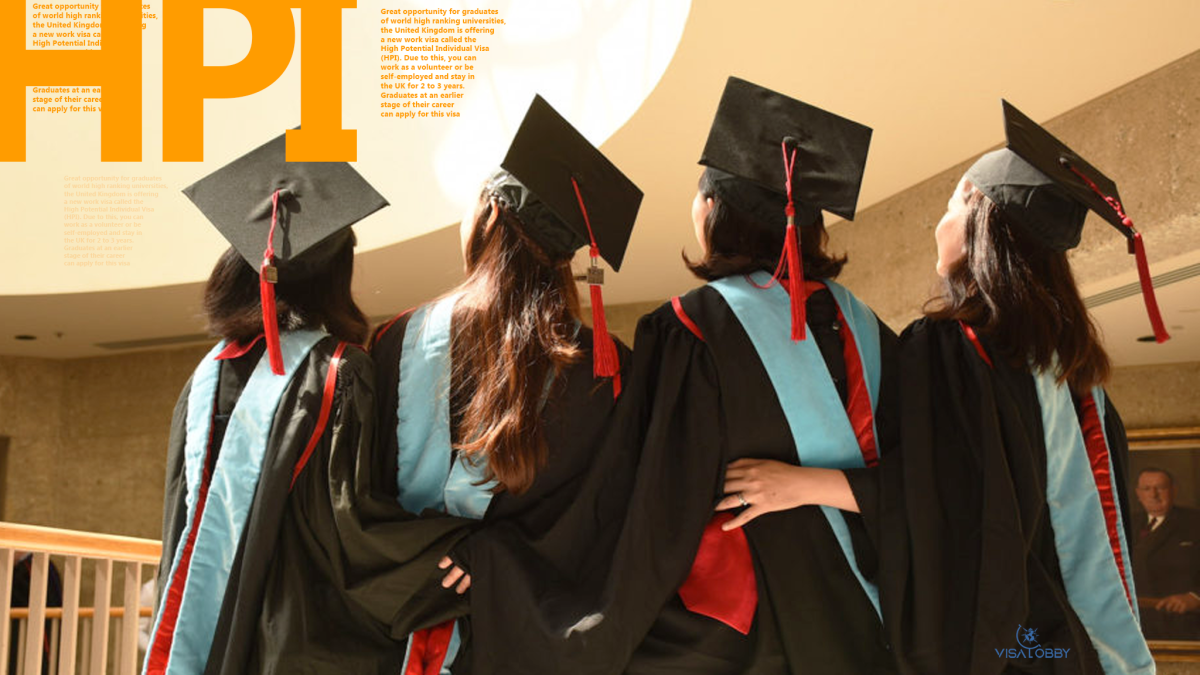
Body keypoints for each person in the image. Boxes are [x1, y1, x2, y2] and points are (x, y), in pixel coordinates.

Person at [457, 77, 898, 675]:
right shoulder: (866, 326)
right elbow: (928, 477)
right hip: (878, 607)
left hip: (750, 629)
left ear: (714, 211)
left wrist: (514, 566)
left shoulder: (691, 326)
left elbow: (651, 496)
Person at [788, 100, 1166, 674]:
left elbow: (939, 497)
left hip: (1003, 649)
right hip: (1071, 649)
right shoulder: (1077, 377)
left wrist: (798, 485)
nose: (936, 225)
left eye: (948, 206)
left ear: (975, 216)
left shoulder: (952, 347)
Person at [144, 133, 469, 675]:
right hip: (294, 635)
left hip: (209, 632)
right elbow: (350, 526)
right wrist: (455, 547)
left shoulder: (207, 374)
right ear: (335, 277)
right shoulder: (339, 370)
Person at [369, 94, 641, 674]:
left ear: (490, 215)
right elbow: (604, 518)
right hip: (520, 637)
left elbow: (358, 487)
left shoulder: (395, 339)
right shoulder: (604, 368)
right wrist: (494, 560)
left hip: (391, 621)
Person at [1132, 467, 1200, 639]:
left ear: (1174, 490)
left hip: (1184, 627)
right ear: (1138, 494)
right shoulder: (1125, 523)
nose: (1153, 494)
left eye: (1161, 488)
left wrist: (1195, 597)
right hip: (1135, 627)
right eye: (1147, 489)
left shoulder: (1194, 522)